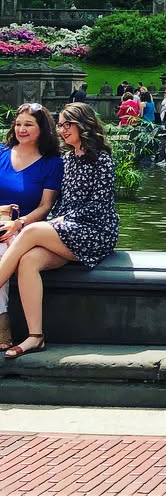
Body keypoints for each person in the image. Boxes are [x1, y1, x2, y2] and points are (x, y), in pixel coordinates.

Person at [0, 102, 119, 359]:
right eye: (61, 125)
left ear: (83, 125)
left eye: (67, 125)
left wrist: (57, 221)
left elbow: (98, 206)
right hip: (68, 230)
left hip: (95, 231)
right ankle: (35, 337)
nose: (62, 130)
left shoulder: (102, 159)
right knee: (28, 261)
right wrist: (58, 220)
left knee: (30, 232)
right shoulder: (66, 159)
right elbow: (58, 204)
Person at [0, 103, 63, 349]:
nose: (21, 129)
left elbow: (45, 206)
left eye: (28, 124)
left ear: (42, 129)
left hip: (24, 227)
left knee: (2, 250)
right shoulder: (2, 152)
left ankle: (2, 323)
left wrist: (18, 223)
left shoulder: (52, 163)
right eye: (18, 124)